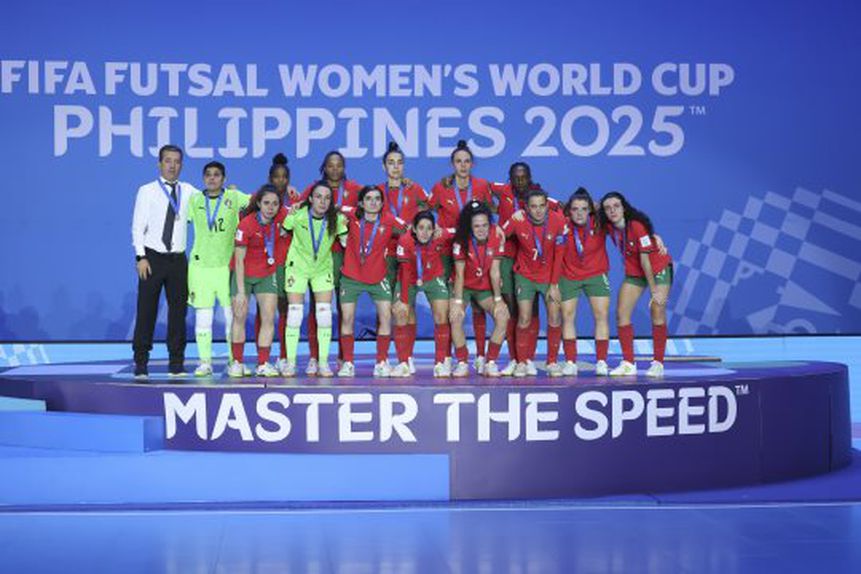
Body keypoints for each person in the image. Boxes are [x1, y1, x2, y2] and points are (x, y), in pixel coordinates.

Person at [131, 144, 200, 379]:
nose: (172, 166)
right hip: (152, 258)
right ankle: (141, 362)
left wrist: (229, 192)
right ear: (159, 163)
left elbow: (210, 202)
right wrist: (140, 256)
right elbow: (138, 227)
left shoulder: (189, 191)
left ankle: (176, 363)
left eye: (177, 161)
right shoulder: (147, 190)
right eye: (168, 161)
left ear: (182, 165)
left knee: (178, 313)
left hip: (178, 260)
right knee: (146, 311)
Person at [428, 140, 494, 372]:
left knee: (477, 306)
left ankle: (481, 356)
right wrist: (436, 228)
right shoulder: (441, 187)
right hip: (447, 252)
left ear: (472, 164)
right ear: (452, 164)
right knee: (450, 308)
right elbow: (425, 210)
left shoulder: (482, 185)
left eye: (466, 161)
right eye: (458, 161)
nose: (463, 165)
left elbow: (490, 213)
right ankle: (448, 357)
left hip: (475, 251)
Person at [490, 162, 559, 375]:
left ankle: (528, 358)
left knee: (532, 309)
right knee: (513, 310)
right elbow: (480, 186)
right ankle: (515, 359)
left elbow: (565, 208)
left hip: (530, 259)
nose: (520, 181)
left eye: (524, 177)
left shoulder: (538, 196)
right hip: (507, 258)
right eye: (516, 178)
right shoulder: (502, 190)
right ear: (510, 178)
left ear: (530, 177)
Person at [300, 151, 363, 375]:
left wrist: (346, 211)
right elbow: (298, 209)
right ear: (324, 168)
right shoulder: (314, 189)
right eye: (330, 165)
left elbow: (369, 209)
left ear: (344, 167)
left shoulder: (355, 189)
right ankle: (315, 356)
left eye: (339, 165)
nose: (335, 169)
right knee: (317, 308)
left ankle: (344, 358)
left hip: (345, 256)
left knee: (344, 308)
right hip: (319, 257)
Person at [599, 192, 673, 378]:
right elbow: (584, 204)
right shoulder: (608, 226)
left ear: (624, 208)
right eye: (608, 208)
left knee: (657, 308)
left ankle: (658, 363)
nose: (612, 210)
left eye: (616, 206)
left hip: (657, 267)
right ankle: (628, 363)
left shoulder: (636, 226)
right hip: (635, 271)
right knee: (621, 314)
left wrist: (654, 291)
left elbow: (646, 261)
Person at [187, 161, 250, 376]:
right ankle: (205, 363)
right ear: (203, 178)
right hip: (200, 268)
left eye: (216, 175)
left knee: (231, 317)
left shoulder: (234, 197)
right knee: (203, 317)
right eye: (208, 175)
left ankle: (235, 361)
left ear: (224, 179)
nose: (212, 178)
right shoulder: (194, 200)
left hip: (226, 267)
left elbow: (262, 201)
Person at [337, 185, 406, 378]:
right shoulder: (351, 215)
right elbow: (333, 207)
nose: (373, 202)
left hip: (378, 278)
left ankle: (381, 362)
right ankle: (348, 363)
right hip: (351, 277)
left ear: (382, 203)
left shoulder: (389, 219)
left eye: (377, 199)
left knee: (385, 318)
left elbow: (410, 229)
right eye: (368, 198)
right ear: (361, 203)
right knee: (347, 319)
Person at [280, 183, 348, 377]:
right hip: (297, 268)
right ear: (310, 199)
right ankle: (290, 363)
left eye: (327, 198)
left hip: (322, 270)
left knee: (324, 315)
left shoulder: (337, 220)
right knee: (294, 314)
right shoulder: (297, 215)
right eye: (318, 197)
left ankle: (323, 363)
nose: (322, 201)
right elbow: (282, 232)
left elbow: (346, 243)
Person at [503, 188, 567, 377]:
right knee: (524, 318)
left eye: (541, 206)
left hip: (549, 277)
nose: (538, 210)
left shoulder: (558, 220)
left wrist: (554, 284)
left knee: (554, 318)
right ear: (526, 208)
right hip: (525, 275)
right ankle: (521, 362)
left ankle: (552, 362)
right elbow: (497, 236)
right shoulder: (518, 220)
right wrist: (511, 219)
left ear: (547, 205)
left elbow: (560, 254)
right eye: (533, 206)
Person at [227, 185, 288, 378]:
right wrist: (240, 292)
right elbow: (239, 260)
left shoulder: (281, 217)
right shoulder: (246, 225)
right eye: (266, 203)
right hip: (243, 273)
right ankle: (237, 363)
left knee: (268, 318)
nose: (271, 207)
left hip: (267, 274)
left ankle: (262, 363)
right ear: (259, 203)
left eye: (275, 204)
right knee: (239, 316)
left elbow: (301, 210)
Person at [379, 142, 429, 374]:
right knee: (386, 307)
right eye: (391, 163)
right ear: (384, 167)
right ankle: (384, 359)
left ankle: (407, 357)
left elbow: (431, 207)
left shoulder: (414, 189)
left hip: (411, 254)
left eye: (399, 163)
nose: (395, 167)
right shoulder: (377, 193)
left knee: (407, 306)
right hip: (385, 255)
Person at [449, 201, 510, 377]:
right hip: (464, 287)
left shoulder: (496, 236)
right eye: (476, 226)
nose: (481, 229)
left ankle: (490, 362)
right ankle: (462, 362)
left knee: (503, 316)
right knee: (455, 317)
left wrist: (498, 300)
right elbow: (459, 275)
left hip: (484, 288)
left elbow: (495, 271)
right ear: (470, 227)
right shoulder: (460, 241)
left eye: (484, 225)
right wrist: (457, 303)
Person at [392, 211, 453, 377]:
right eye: (421, 228)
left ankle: (440, 363)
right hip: (409, 278)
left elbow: (461, 230)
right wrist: (404, 301)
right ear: (413, 228)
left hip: (433, 277)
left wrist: (495, 229)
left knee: (441, 315)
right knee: (401, 313)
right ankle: (404, 362)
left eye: (429, 228)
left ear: (434, 230)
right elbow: (405, 272)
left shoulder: (440, 236)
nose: (425, 232)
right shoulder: (404, 240)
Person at [559, 188, 611, 376]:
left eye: (583, 209)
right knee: (567, 316)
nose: (579, 213)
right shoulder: (562, 224)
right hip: (568, 275)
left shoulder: (600, 222)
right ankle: (570, 362)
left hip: (596, 274)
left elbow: (625, 220)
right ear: (569, 211)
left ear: (590, 210)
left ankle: (601, 362)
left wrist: (653, 236)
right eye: (575, 209)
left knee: (601, 315)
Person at [258, 153, 300, 373]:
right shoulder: (260, 199)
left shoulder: (295, 201)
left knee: (285, 311)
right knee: (263, 312)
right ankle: (261, 358)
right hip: (263, 264)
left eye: (284, 177)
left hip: (285, 264)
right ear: (270, 178)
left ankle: (284, 356)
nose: (280, 180)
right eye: (276, 176)